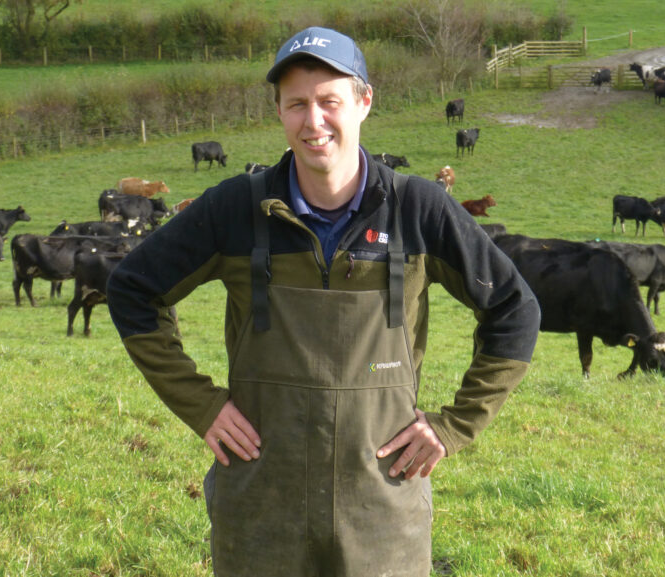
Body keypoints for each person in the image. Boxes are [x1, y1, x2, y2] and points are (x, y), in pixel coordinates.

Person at [106, 26, 540, 577]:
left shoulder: (418, 211)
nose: (314, 122)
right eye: (297, 105)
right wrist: (202, 405)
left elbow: (515, 308)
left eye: (330, 101)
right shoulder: (237, 208)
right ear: (280, 112)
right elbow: (132, 287)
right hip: (261, 503)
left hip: (383, 506)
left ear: (364, 102)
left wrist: (454, 426)